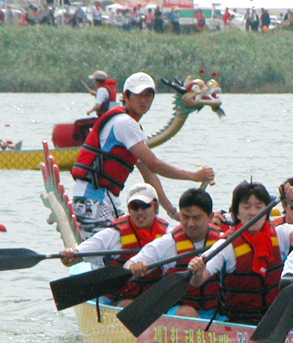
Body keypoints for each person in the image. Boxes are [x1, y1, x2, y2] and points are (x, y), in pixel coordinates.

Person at [70, 72, 216, 238]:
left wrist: (174, 213)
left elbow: (150, 175)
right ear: (126, 96)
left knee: (133, 241)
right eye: (138, 95)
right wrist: (194, 176)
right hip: (93, 200)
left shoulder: (132, 128)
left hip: (103, 200)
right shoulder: (124, 123)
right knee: (109, 257)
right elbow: (155, 164)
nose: (143, 100)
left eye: (148, 95)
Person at [185, 181, 293, 325]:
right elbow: (197, 281)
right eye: (246, 207)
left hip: (274, 320)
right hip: (237, 323)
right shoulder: (226, 245)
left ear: (267, 212)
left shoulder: (281, 233)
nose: (253, 212)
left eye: (259, 207)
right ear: (237, 213)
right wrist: (196, 272)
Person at [60, 184, 169, 307]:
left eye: (144, 206)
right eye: (134, 207)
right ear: (128, 210)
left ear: (156, 207)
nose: (139, 212)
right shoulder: (113, 234)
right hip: (122, 299)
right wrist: (70, 255)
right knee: (128, 305)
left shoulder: (168, 234)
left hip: (156, 298)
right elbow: (75, 257)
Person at [125, 187, 224, 319]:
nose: (190, 224)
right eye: (185, 217)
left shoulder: (223, 242)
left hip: (216, 311)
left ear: (210, 217)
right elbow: (129, 264)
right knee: (188, 313)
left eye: (196, 218)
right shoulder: (167, 243)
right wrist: (133, 268)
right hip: (178, 311)